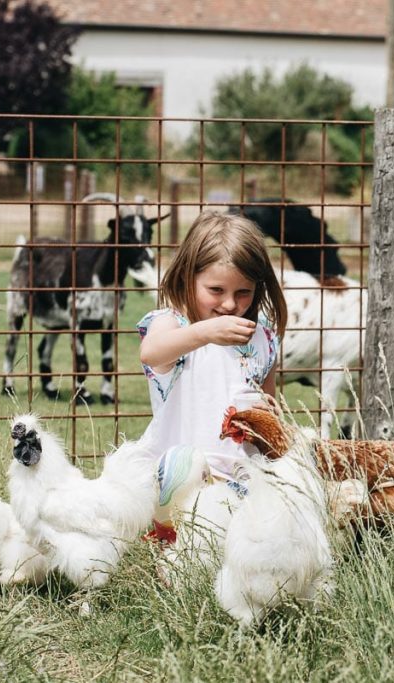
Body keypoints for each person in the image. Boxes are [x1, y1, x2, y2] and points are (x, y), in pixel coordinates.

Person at [136, 210, 287, 539]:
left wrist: (269, 416)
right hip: (180, 477)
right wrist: (205, 332)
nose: (230, 304)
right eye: (216, 290)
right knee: (186, 494)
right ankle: (167, 535)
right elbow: (151, 353)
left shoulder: (262, 338)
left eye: (243, 292)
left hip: (240, 478)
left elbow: (270, 404)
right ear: (188, 277)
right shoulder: (173, 324)